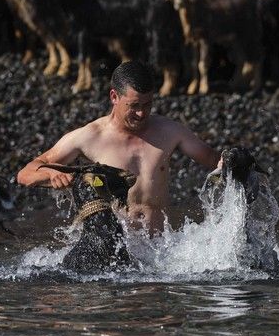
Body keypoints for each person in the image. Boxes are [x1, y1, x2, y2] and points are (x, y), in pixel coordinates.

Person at [17, 61, 221, 234]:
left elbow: (213, 159)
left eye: (147, 105)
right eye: (134, 106)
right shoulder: (90, 136)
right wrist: (52, 174)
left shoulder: (170, 131)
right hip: (115, 254)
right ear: (114, 97)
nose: (142, 114)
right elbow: (26, 173)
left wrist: (234, 162)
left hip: (160, 255)